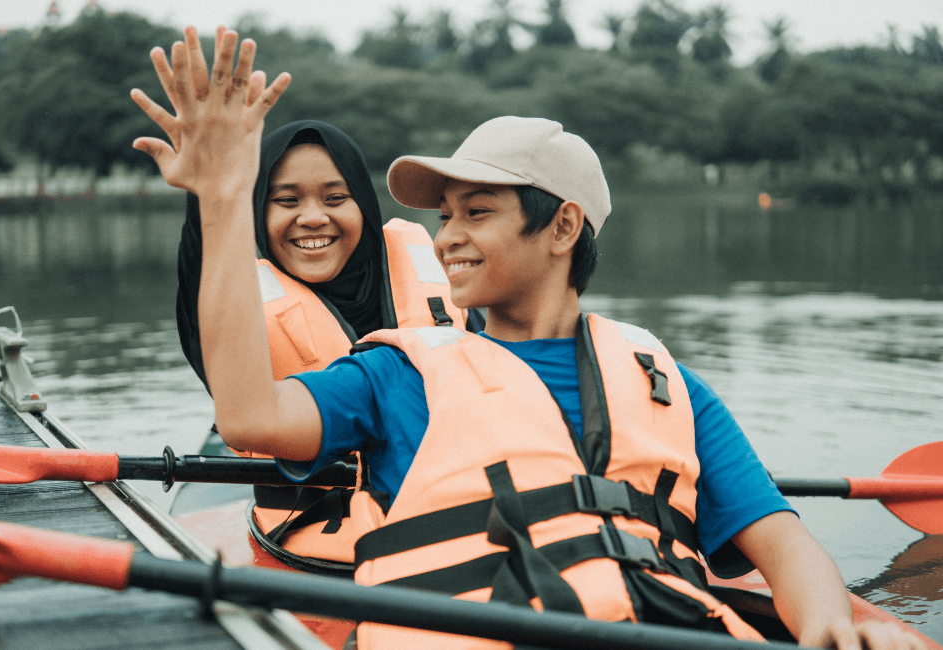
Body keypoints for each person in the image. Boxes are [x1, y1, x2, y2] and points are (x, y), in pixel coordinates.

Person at [131, 26, 925, 650]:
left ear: (562, 227)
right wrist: (224, 199)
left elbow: (783, 547)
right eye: (445, 218)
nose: (446, 240)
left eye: (477, 214)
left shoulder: (665, 384)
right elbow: (247, 416)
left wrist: (828, 620)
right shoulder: (397, 374)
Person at [158, 32, 477, 575]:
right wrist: (211, 192)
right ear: (258, 212)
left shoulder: (441, 278)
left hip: (450, 542)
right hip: (315, 560)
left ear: (366, 207)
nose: (312, 218)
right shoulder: (236, 309)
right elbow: (202, 280)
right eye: (286, 201)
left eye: (335, 198)